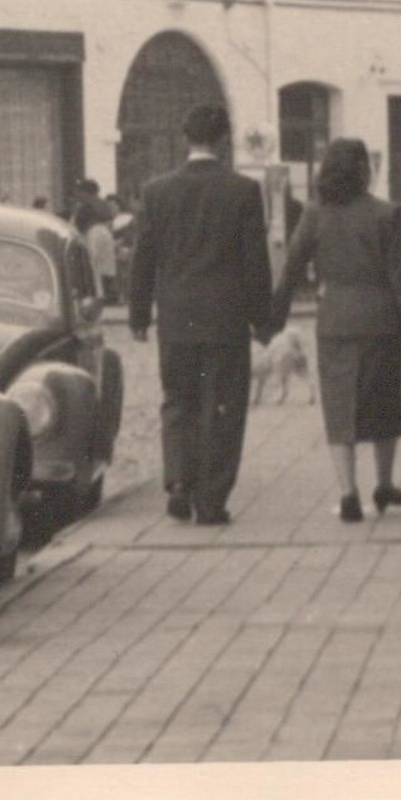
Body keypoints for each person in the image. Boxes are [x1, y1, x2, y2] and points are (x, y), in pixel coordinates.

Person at [129, 104, 273, 526]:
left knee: (178, 401)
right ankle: (212, 500)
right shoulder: (243, 191)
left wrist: (139, 313)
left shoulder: (157, 191)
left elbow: (144, 258)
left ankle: (178, 483)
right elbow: (255, 262)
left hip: (176, 317)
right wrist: (261, 319)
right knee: (223, 405)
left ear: (185, 138)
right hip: (225, 320)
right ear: (225, 139)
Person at [271, 138, 401, 524]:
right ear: (363, 170)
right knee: (383, 401)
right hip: (382, 320)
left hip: (335, 320)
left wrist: (273, 317)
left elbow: (290, 269)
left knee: (339, 405)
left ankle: (348, 492)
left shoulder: (314, 215)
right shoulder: (386, 214)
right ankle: (384, 484)